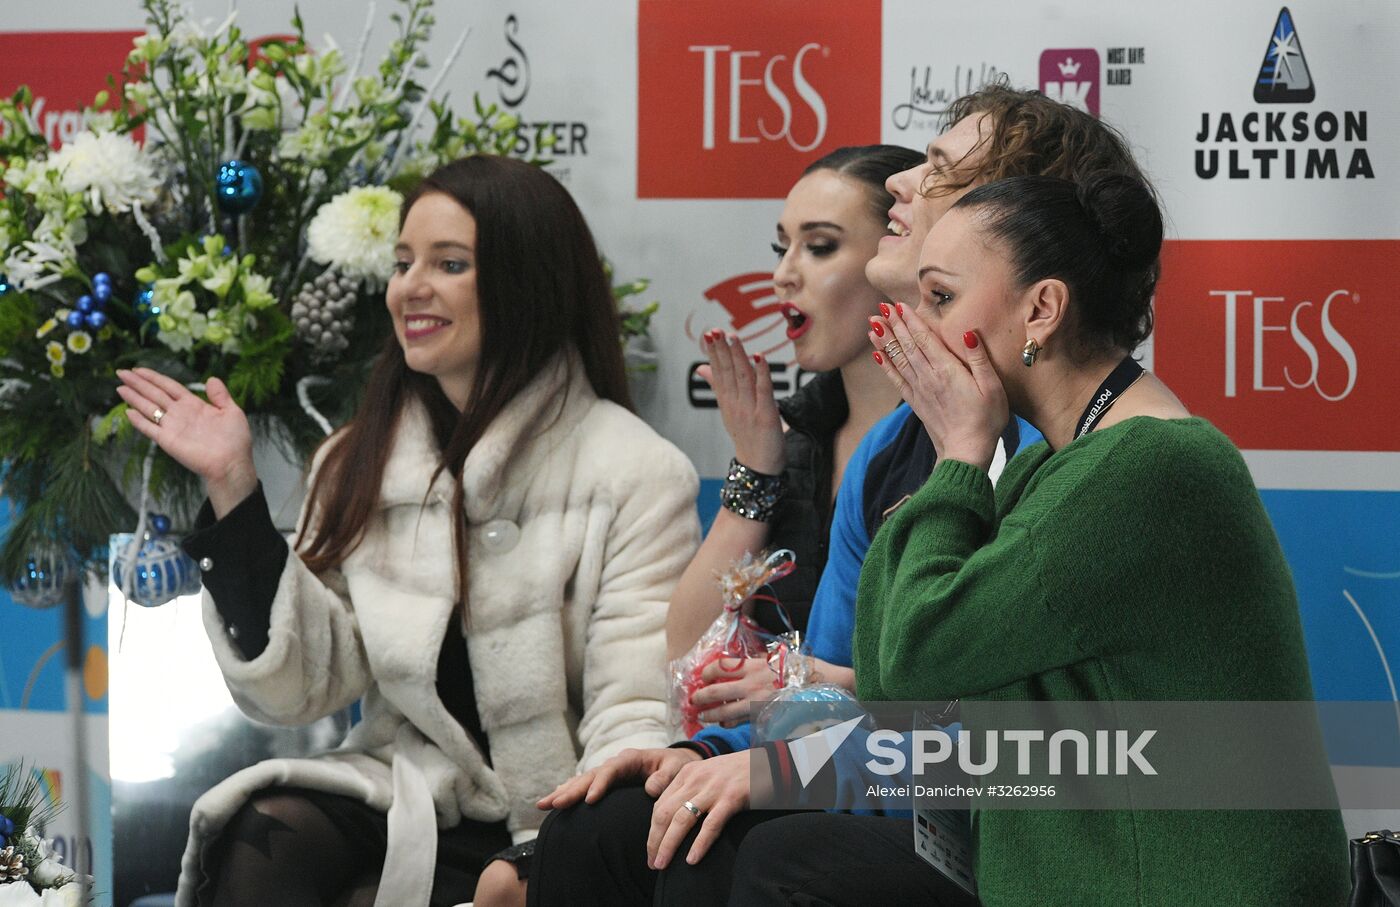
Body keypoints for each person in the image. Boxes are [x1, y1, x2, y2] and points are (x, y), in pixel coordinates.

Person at [525, 86, 1154, 906]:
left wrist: (777, 766)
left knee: (752, 855)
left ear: (1016, 228)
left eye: (934, 171)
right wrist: (713, 748)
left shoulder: (1070, 455)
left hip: (1017, 828)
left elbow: (1005, 748)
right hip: (892, 789)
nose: (902, 183)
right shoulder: (889, 448)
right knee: (600, 827)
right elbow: (820, 692)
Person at [724, 172, 1350, 903]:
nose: (917, 328)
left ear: (1044, 308)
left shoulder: (1152, 466)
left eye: (941, 298)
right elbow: (892, 671)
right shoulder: (1057, 464)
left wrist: (959, 450)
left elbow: (912, 661)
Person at [115, 154, 700, 907]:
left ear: (526, 281)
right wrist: (234, 489)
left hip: (556, 820)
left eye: (448, 263)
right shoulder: (360, 458)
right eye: (401, 262)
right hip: (412, 793)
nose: (410, 287)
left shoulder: (635, 470)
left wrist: (553, 860)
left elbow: (635, 714)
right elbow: (303, 683)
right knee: (260, 832)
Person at [667, 144, 922, 729]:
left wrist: (801, 682)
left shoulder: (967, 438)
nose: (783, 275)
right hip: (777, 757)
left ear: (903, 257)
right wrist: (756, 473)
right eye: (783, 248)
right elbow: (686, 651)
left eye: (821, 247)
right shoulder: (798, 433)